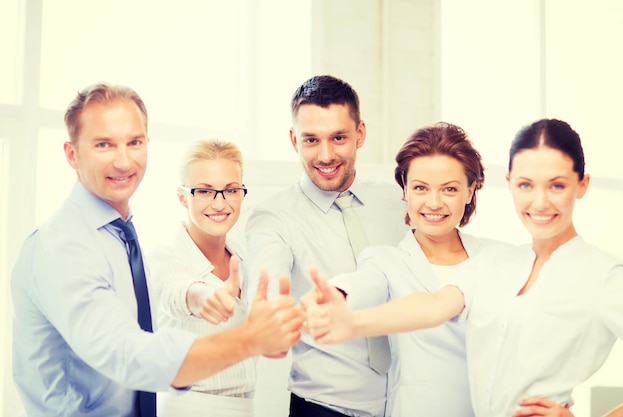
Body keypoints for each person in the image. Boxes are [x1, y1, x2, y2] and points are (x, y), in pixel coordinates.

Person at [10, 83, 302, 417]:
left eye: (134, 142)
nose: (123, 160)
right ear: (72, 153)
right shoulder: (62, 247)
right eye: (104, 144)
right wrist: (247, 337)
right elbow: (128, 351)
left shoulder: (120, 238)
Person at [303, 118, 623, 417]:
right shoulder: (503, 264)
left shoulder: (600, 274)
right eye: (526, 185)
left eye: (556, 185)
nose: (539, 202)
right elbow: (432, 304)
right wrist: (347, 313)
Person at [301, 122, 508, 416]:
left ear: (470, 190)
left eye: (449, 189)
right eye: (420, 188)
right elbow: (361, 284)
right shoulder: (385, 262)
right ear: (405, 190)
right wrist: (334, 296)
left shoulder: (498, 258)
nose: (434, 203)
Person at [245, 75, 408, 416]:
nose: (326, 155)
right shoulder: (273, 217)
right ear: (294, 140)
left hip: (405, 404)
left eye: (338, 137)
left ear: (360, 134)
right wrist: (273, 310)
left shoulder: (399, 202)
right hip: (324, 408)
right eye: (311, 140)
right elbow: (269, 279)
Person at [147, 139, 255, 416]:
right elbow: (177, 292)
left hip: (245, 406)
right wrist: (203, 297)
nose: (220, 203)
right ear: (183, 197)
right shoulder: (165, 257)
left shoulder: (245, 257)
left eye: (230, 190)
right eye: (205, 191)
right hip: (189, 407)